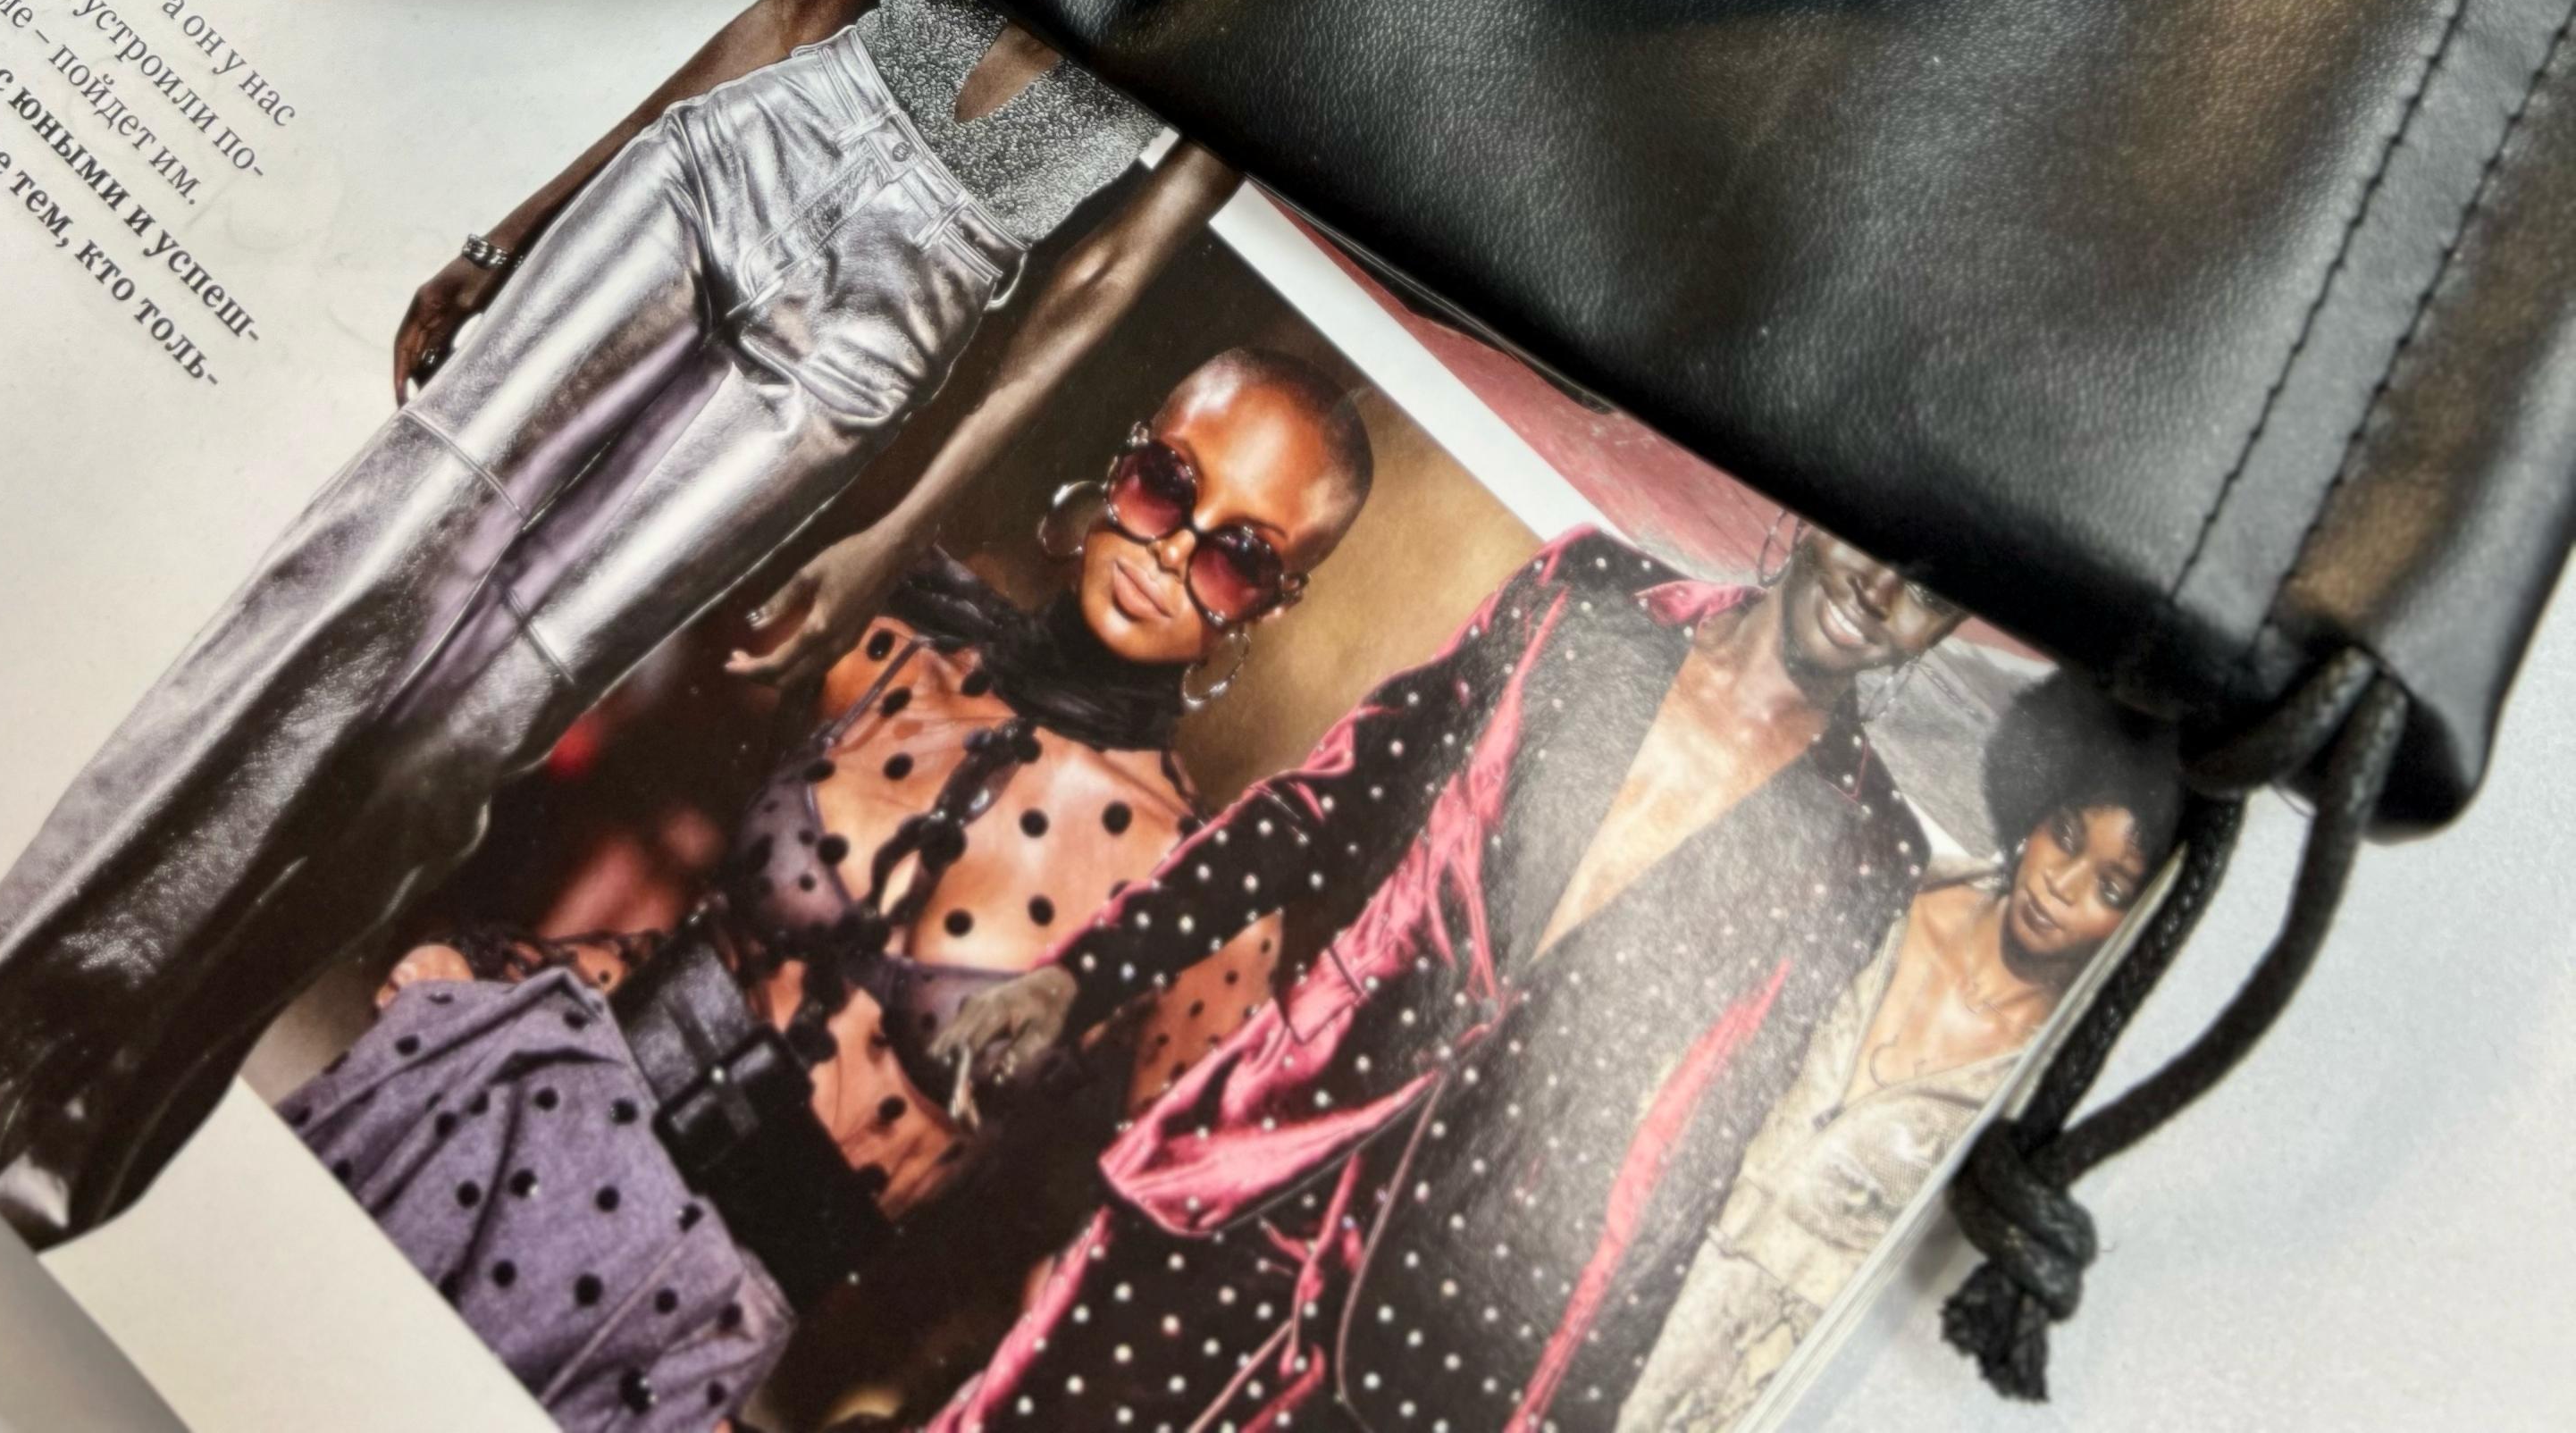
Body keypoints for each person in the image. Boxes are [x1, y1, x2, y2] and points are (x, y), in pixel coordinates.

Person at [0, 0, 1246, 1250]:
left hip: (897, 309)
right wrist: (520, 226)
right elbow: (801, 7)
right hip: (747, 151)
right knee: (340, 593)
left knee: (451, 750)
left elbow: (1106, 276)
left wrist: (888, 533)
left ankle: (78, 1150)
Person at [281, 348, 1376, 1433]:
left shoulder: (1208, 907)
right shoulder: (889, 648)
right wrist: (491, 967)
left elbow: (1130, 1264)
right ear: (1127, 458)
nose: (1170, 552)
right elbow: (704, 948)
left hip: (684, 1329)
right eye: (1168, 484)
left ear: (1274, 603)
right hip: (508, 1110)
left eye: (1237, 557)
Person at [927, 524, 1966, 1433]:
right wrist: (1084, 976)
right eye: (1880, 545)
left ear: (1950, 629)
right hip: (1256, 1159)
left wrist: (1565, 1409)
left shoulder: (1868, 847)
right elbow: (1327, 806)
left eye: (1931, 592)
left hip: (1437, 1325)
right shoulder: (1588, 589)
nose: (1880, 592)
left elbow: (1704, 1138)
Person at [1612, 670, 2182, 1433]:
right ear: (2038, 808)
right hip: (1642, 1245)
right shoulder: (1889, 881)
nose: (2062, 885)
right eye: (2069, 838)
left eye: (2111, 889)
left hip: (1778, 1371)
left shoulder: (2039, 1089)